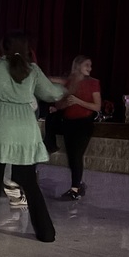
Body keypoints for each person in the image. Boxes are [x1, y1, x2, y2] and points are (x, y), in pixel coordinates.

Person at [0, 32, 64, 243]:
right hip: (25, 128)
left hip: (0, 126)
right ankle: (46, 232)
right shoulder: (32, 70)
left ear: (3, 48)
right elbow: (52, 94)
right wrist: (67, 86)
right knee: (29, 182)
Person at [44, 55, 102, 200]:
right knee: (72, 157)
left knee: (76, 155)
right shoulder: (70, 82)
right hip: (69, 123)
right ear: (77, 67)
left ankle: (75, 189)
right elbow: (60, 104)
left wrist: (78, 101)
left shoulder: (93, 83)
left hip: (84, 123)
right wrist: (62, 105)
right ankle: (78, 184)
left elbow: (97, 106)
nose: (90, 68)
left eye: (90, 65)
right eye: (86, 65)